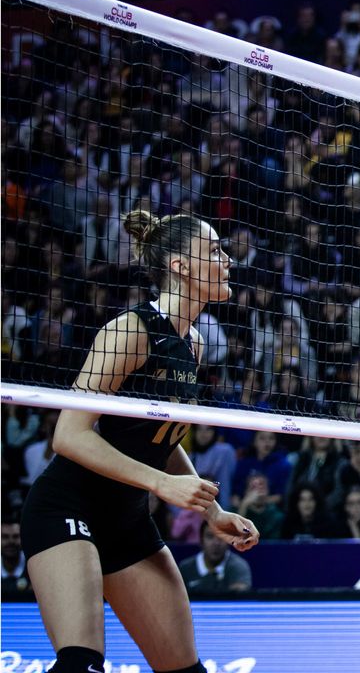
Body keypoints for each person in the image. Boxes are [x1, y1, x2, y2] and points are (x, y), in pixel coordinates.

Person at [20, 210, 259, 673]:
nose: (227, 259)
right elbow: (68, 437)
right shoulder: (129, 330)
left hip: (126, 523)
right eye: (214, 251)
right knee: (80, 666)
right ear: (180, 266)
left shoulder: (194, 344)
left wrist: (213, 512)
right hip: (69, 508)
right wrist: (159, 486)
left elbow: (162, 439)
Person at [178, 523, 252, 593]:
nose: (216, 543)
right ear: (201, 541)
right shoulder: (185, 568)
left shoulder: (239, 566)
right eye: (210, 536)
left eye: (221, 537)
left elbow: (239, 601)